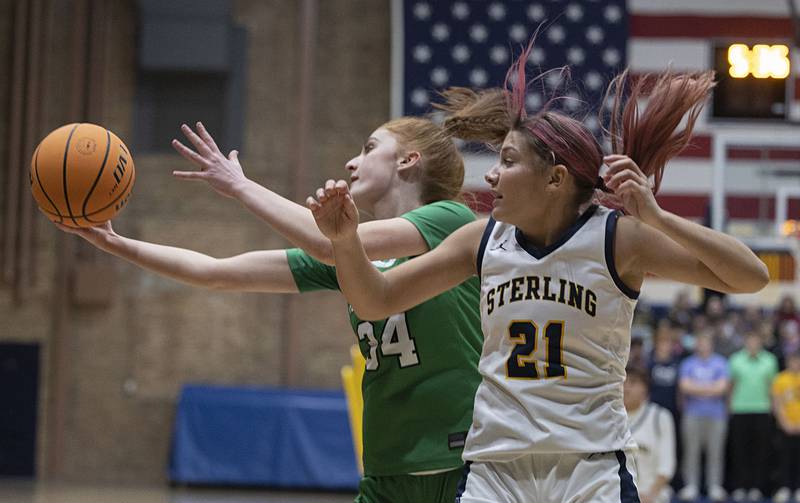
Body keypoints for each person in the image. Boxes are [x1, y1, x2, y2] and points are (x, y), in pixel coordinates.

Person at [307, 43, 769, 502]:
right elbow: (376, 300)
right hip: (495, 469)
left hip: (589, 468)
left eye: (508, 162)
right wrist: (346, 243)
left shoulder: (618, 238)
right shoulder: (481, 239)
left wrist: (659, 218)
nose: (490, 176)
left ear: (555, 179)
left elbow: (752, 276)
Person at [56, 108, 498, 503]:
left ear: (408, 160)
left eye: (368, 148)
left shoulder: (450, 219)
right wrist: (115, 244)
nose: (351, 162)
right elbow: (215, 272)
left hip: (457, 463)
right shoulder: (351, 257)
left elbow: (331, 243)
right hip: (388, 467)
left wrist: (241, 186)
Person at [677, 333, 730, 502]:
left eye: (706, 342)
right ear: (696, 345)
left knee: (716, 452)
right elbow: (684, 386)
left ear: (711, 344)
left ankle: (714, 486)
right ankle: (691, 485)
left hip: (716, 414)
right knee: (691, 451)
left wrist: (698, 388)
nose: (703, 346)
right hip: (692, 413)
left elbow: (722, 388)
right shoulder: (688, 363)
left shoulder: (721, 362)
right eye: (700, 342)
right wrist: (710, 389)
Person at [727, 332, 778, 502]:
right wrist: (729, 408)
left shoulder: (770, 360)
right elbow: (731, 386)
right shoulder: (735, 360)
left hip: (762, 410)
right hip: (740, 409)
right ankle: (741, 486)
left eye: (756, 340)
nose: (753, 344)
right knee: (740, 451)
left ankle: (757, 487)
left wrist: (774, 410)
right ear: (745, 341)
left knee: (760, 451)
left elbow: (772, 388)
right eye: (750, 340)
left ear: (761, 342)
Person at [624, 367, 676, 503]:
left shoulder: (660, 416)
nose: (626, 388)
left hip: (651, 493)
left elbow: (666, 465)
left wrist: (650, 495)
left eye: (633, 382)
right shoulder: (608, 417)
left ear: (645, 389)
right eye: (623, 382)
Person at [772, 351, 800, 503]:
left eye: (797, 361)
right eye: (792, 361)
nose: (795, 364)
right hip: (785, 426)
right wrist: (785, 423)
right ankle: (784, 487)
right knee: (784, 457)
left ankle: (798, 488)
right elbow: (777, 403)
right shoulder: (780, 379)